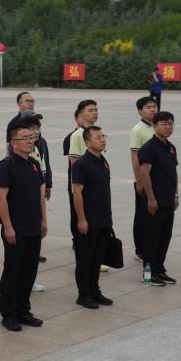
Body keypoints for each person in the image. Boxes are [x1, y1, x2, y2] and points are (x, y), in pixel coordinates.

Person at [0, 126, 48, 332]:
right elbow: (1, 198)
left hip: (33, 226)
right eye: (24, 138)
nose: (29, 141)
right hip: (16, 229)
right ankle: (9, 314)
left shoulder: (34, 164)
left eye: (31, 138)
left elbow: (40, 196)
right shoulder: (6, 166)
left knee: (29, 271)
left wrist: (43, 220)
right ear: (13, 143)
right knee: (13, 271)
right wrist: (8, 227)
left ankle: (24, 311)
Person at [70, 126, 114, 309]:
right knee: (85, 259)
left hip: (103, 219)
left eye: (103, 136)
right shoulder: (81, 164)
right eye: (98, 137)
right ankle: (84, 294)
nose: (102, 140)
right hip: (88, 220)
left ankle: (95, 290)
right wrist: (81, 219)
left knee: (97, 258)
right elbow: (77, 192)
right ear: (88, 142)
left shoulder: (103, 161)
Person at [137, 111, 179, 286]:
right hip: (154, 202)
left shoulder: (170, 147)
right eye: (164, 124)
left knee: (164, 237)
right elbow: (144, 174)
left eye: (170, 123)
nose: (168, 127)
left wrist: (175, 195)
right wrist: (151, 198)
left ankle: (159, 270)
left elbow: (174, 172)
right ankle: (148, 275)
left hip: (168, 200)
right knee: (151, 239)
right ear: (155, 126)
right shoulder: (149, 148)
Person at [65, 100, 99, 243]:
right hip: (82, 184)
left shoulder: (97, 132)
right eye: (90, 110)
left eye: (95, 110)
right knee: (80, 215)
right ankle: (79, 244)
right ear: (81, 114)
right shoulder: (77, 135)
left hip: (96, 184)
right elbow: (74, 161)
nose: (94, 113)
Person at [129, 96, 157, 260]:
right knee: (142, 216)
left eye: (154, 106)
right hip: (144, 180)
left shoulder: (158, 126)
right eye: (148, 107)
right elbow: (135, 157)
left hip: (157, 180)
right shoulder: (137, 130)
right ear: (140, 111)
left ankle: (152, 246)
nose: (152, 109)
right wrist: (139, 180)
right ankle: (140, 250)